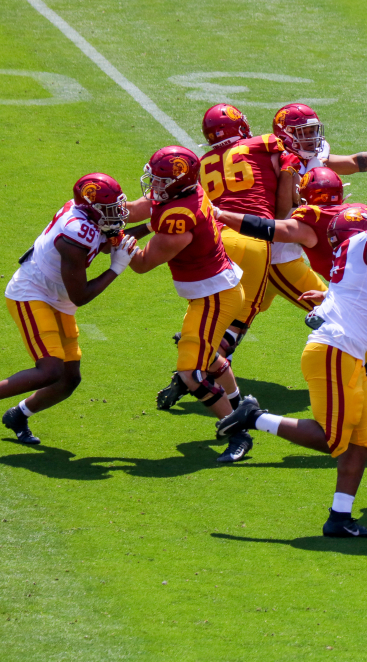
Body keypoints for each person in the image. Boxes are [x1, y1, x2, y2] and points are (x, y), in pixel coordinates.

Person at [214, 162, 367, 537]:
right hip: (335, 352)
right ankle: (253, 417)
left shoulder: (357, 256)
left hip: (348, 354)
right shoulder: (363, 245)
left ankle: (339, 517)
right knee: (332, 440)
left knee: (360, 442)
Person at [0, 174, 137, 444]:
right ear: (92, 207)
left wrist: (155, 225)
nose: (117, 213)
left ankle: (18, 415)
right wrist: (117, 268)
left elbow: (106, 243)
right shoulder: (74, 234)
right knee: (50, 371)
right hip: (33, 293)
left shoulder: (85, 215)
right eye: (110, 209)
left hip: (58, 296)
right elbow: (81, 295)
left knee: (69, 379)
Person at [127, 145, 251, 463]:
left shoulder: (179, 215)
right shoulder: (185, 192)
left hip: (214, 298)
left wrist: (117, 242)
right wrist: (101, 212)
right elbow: (143, 209)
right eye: (153, 178)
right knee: (207, 356)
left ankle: (239, 432)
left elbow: (141, 263)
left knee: (190, 373)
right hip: (216, 291)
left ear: (178, 182)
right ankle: (239, 408)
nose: (153, 185)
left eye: (160, 180)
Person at [258, 103, 367, 316]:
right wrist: (290, 175)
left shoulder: (314, 158)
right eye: (303, 133)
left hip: (293, 250)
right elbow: (280, 212)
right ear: (286, 134)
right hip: (279, 255)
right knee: (345, 311)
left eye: (312, 131)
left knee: (242, 313)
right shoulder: (276, 163)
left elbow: (354, 162)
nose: (310, 138)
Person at [192, 103, 295, 361]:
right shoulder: (264, 143)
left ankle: (195, 355)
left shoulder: (203, 164)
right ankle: (196, 371)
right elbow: (283, 203)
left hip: (213, 240)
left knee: (209, 312)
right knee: (240, 318)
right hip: (252, 236)